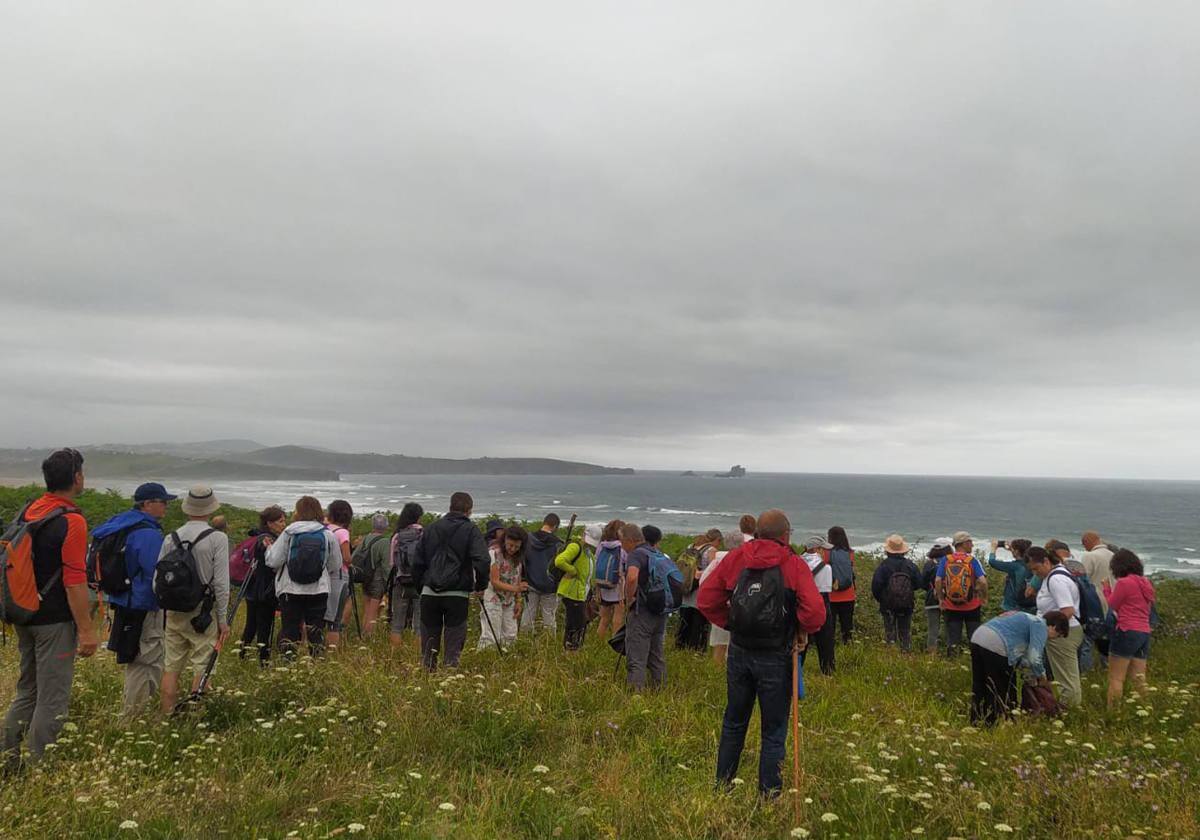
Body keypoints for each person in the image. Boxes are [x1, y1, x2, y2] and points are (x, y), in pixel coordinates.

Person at [698, 509, 826, 797]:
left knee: (734, 721)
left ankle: (722, 786)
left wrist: (732, 623)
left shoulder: (736, 557)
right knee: (774, 729)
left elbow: (707, 599)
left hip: (740, 651)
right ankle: (769, 795)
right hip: (777, 655)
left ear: (758, 532)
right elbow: (815, 613)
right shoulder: (794, 564)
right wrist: (800, 629)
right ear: (786, 534)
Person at [2, 449, 97, 773]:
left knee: (27, 689)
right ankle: (41, 770)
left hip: (23, 613)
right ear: (77, 478)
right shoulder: (71, 520)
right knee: (53, 698)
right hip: (54, 621)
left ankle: (9, 762)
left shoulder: (31, 509)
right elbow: (73, 580)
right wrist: (86, 630)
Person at [96, 481, 175, 714]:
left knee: (134, 656)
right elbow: (156, 573)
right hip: (143, 603)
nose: (166, 507)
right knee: (146, 659)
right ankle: (135, 716)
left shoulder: (118, 524)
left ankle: (135, 712)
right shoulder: (146, 533)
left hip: (121, 599)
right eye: (163, 502)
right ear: (147, 504)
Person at [158, 485, 231, 714]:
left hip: (174, 610)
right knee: (203, 665)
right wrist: (222, 618)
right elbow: (221, 583)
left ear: (187, 508)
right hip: (203, 612)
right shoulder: (217, 538)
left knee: (171, 667)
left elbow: (156, 579)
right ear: (210, 509)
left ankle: (167, 716)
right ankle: (194, 719)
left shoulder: (172, 537)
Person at [412, 492, 490, 671]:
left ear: (450, 507)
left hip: (430, 592)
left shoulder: (431, 528)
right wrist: (481, 585)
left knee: (429, 643)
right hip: (457, 592)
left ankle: (427, 677)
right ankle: (449, 677)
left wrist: (421, 586)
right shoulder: (471, 530)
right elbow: (483, 560)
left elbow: (417, 562)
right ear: (469, 510)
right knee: (453, 641)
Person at [266, 496, 342, 658]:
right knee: (315, 631)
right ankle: (317, 663)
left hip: (290, 589)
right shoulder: (327, 533)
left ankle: (288, 664)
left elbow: (273, 561)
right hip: (318, 590)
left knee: (290, 630)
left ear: (298, 511)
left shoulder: (289, 532)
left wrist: (269, 549)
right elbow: (335, 565)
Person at [969, 610, 1068, 726]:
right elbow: (1034, 658)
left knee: (980, 685)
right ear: (1053, 627)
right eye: (1058, 635)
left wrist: (1030, 677)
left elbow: (1023, 660)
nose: (1053, 639)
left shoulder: (1026, 619)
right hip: (997, 644)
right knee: (1003, 689)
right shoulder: (1040, 624)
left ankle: (976, 720)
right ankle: (998, 723)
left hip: (978, 637)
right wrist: (1042, 677)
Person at [1026, 546, 1084, 707]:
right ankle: (1065, 705)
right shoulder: (1055, 574)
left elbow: (1067, 610)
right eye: (1032, 570)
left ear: (1046, 561)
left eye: (1036, 569)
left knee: (1066, 677)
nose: (1035, 573)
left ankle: (1069, 710)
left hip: (1062, 634)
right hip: (1061, 632)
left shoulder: (1056, 580)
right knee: (1063, 674)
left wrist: (1052, 630)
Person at [1103, 548, 1156, 709]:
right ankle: (1144, 708)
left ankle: (1113, 712)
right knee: (1139, 677)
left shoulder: (1124, 583)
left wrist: (1106, 589)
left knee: (1116, 678)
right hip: (1143, 632)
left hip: (1126, 629)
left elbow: (1112, 604)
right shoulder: (1145, 582)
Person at [621, 523, 668, 691]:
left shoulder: (635, 554)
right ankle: (660, 691)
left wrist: (628, 598)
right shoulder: (656, 552)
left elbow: (632, 577)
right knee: (656, 656)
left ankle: (635, 695)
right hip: (661, 611)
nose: (622, 545)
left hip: (643, 612)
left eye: (622, 541)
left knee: (637, 657)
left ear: (629, 540)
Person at [240, 505, 286, 665]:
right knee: (264, 624)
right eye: (280, 521)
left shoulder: (259, 536)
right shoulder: (268, 539)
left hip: (253, 587)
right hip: (265, 588)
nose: (284, 524)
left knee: (251, 623)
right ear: (270, 523)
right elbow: (273, 562)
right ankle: (263, 661)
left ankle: (243, 654)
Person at [934, 532, 988, 657]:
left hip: (951, 606)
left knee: (953, 639)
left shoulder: (946, 560)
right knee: (974, 638)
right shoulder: (972, 560)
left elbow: (937, 580)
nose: (972, 545)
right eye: (970, 542)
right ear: (964, 544)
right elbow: (983, 582)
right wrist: (983, 597)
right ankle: (975, 663)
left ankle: (952, 663)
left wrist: (941, 599)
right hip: (972, 606)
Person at [479, 526, 527, 651]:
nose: (513, 549)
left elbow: (517, 578)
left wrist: (518, 601)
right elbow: (495, 581)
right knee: (491, 634)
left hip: (509, 600)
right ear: (504, 540)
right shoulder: (494, 553)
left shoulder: (518, 558)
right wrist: (516, 589)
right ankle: (486, 661)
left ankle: (507, 661)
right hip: (493, 598)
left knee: (511, 634)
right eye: (510, 545)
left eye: (517, 547)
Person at [870, 534, 920, 652]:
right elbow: (919, 583)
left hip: (887, 605)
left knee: (890, 632)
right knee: (905, 632)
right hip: (906, 605)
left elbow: (876, 586)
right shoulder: (910, 565)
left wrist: (882, 599)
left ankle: (891, 654)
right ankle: (905, 653)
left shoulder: (883, 566)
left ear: (888, 550)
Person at [702, 530, 745, 666]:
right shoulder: (745, 559)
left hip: (721, 607)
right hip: (740, 608)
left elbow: (704, 580)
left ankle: (716, 669)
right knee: (736, 643)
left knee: (719, 643)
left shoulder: (718, 559)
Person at [676, 529, 721, 651]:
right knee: (699, 623)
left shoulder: (690, 546)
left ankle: (680, 646)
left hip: (687, 588)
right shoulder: (711, 550)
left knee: (684, 621)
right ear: (716, 540)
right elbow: (713, 571)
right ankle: (697, 649)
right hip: (700, 592)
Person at [387, 503, 424, 648]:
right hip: (420, 583)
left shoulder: (397, 536)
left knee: (397, 623)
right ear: (419, 517)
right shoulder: (424, 534)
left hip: (401, 582)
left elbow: (391, 563)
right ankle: (417, 656)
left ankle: (394, 653)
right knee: (419, 625)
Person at [555, 525, 597, 651]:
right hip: (572, 592)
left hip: (581, 592)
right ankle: (571, 648)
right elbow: (559, 561)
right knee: (575, 622)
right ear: (583, 535)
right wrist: (572, 571)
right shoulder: (575, 546)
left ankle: (574, 646)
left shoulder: (588, 551)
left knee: (580, 621)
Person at [799, 535, 836, 675]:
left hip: (801, 602)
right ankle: (827, 670)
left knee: (801, 639)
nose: (826, 552)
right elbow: (826, 590)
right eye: (823, 549)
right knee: (825, 639)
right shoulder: (826, 568)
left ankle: (797, 670)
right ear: (817, 549)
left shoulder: (798, 562)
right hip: (820, 601)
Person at [521, 513, 562, 635]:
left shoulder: (528, 539)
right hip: (549, 585)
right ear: (555, 526)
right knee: (549, 616)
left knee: (528, 614)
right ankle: (549, 642)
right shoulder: (557, 544)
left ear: (544, 522)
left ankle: (524, 640)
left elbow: (524, 561)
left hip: (531, 582)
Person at [1081, 531, 1116, 666]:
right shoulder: (1112, 555)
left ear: (1086, 542)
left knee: (1088, 639)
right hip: (1112, 601)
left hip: (1095, 601)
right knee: (1108, 639)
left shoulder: (1090, 556)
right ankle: (1107, 667)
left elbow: (1083, 579)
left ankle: (1085, 671)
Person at [324, 500, 354, 650]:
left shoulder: (325, 529)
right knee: (334, 621)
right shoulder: (342, 532)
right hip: (339, 577)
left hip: (322, 577)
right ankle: (332, 652)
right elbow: (347, 558)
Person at [358, 513, 394, 636]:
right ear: (386, 526)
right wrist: (389, 582)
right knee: (373, 612)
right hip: (377, 580)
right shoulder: (384, 542)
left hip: (365, 577)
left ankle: (363, 634)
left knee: (367, 609)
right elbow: (386, 566)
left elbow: (355, 556)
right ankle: (368, 637)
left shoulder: (366, 538)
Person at [593, 520, 626, 639]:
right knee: (618, 617)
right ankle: (615, 642)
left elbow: (596, 563)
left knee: (604, 618)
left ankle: (598, 642)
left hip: (603, 586)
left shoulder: (601, 546)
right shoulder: (622, 548)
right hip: (619, 587)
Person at [919, 537, 953, 654]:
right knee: (950, 629)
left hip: (931, 600)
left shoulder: (929, 564)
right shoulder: (951, 562)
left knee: (933, 629)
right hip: (951, 599)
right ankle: (952, 654)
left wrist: (930, 589)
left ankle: (932, 655)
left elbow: (922, 583)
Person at [826, 526, 857, 643]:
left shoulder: (827, 553)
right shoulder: (850, 553)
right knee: (847, 626)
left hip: (831, 595)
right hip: (849, 595)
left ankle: (830, 647)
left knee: (830, 626)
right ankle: (848, 647)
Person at [988, 538, 1035, 613]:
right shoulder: (1032, 564)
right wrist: (1013, 550)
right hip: (1030, 604)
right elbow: (1021, 556)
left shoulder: (1014, 566)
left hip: (1012, 606)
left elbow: (992, 562)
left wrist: (993, 548)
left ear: (1016, 551)